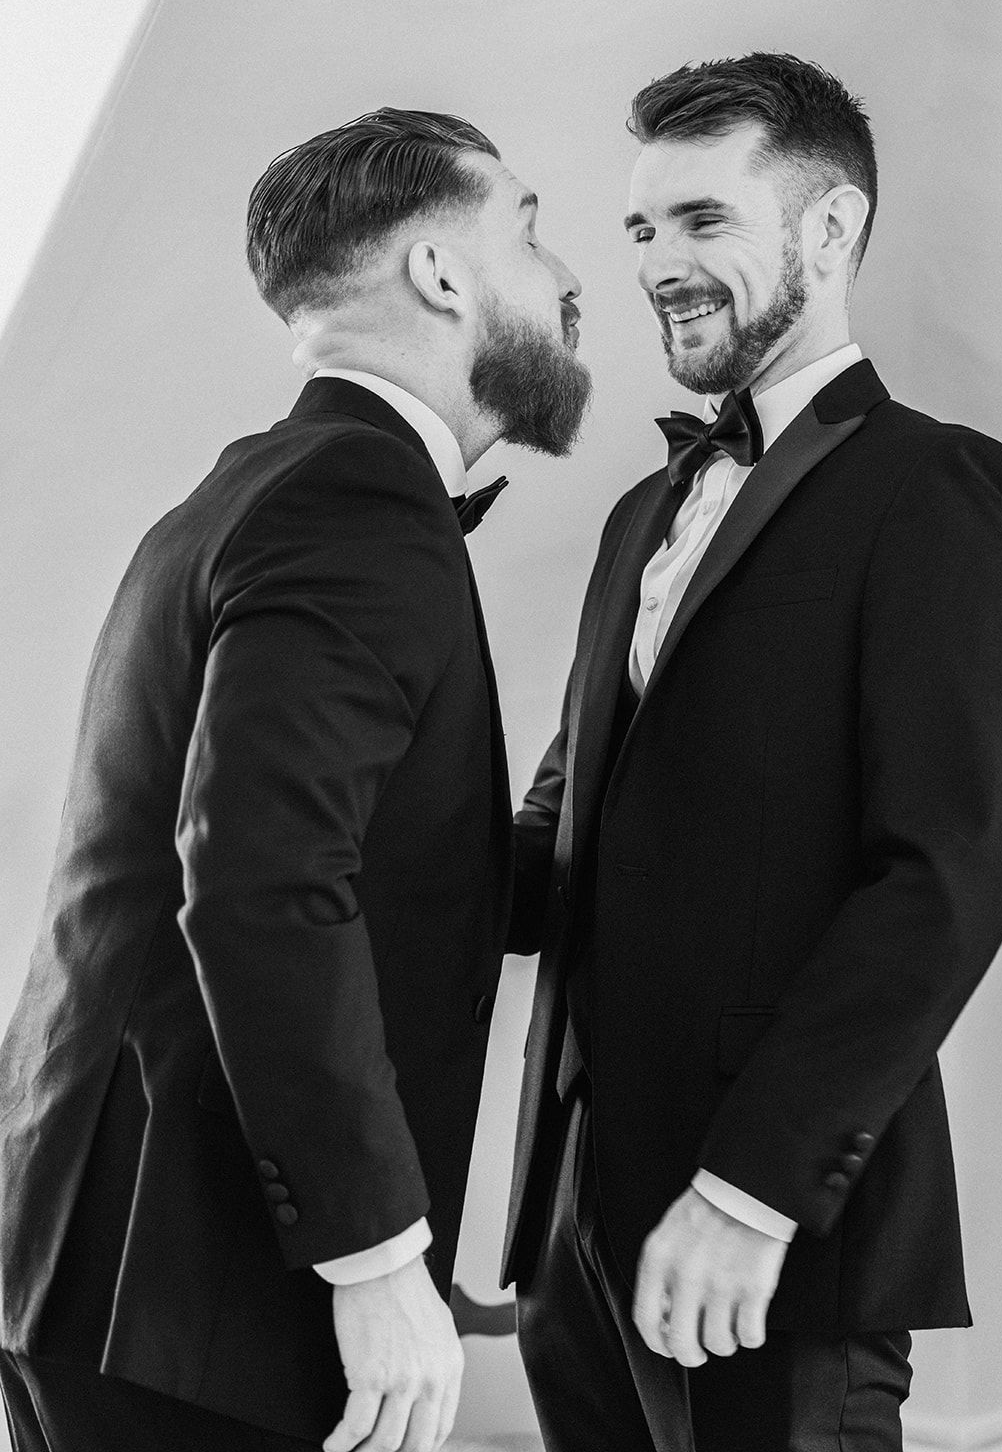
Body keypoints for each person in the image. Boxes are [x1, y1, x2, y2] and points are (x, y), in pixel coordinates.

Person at [0, 107, 589, 1452]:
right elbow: (264, 880)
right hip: (201, 1300)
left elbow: (375, 863)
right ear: (439, 273)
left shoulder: (250, 486)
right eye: (529, 226)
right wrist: (376, 1258)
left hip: (105, 1267)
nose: (564, 278)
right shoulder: (355, 501)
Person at [504, 54, 1002, 1452]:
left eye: (700, 221)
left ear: (827, 231)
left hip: (771, 1231)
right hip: (575, 1212)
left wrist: (751, 1191)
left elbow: (944, 873)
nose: (656, 264)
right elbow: (571, 816)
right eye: (638, 229)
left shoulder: (936, 486)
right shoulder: (643, 511)